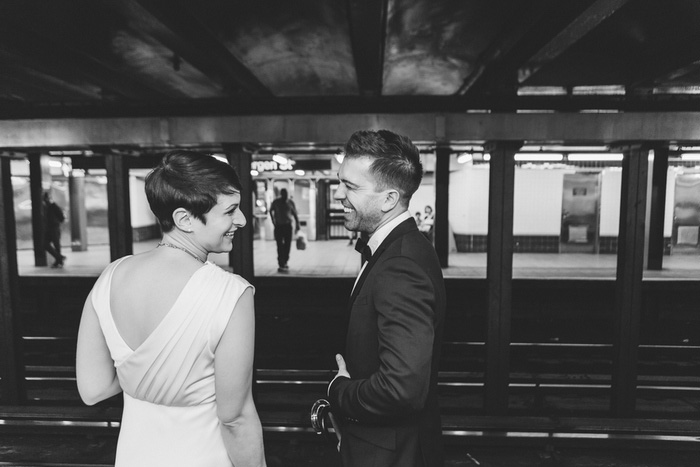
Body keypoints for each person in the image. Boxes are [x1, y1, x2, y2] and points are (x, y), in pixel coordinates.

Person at [76, 150, 266, 467]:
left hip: (134, 456)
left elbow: (92, 390)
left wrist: (144, 382)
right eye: (230, 211)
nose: (242, 220)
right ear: (184, 219)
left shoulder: (111, 277)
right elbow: (235, 417)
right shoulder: (230, 293)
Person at [327, 130, 446, 466]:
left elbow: (401, 390)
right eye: (341, 183)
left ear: (389, 199)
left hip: (390, 455)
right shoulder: (400, 249)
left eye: (350, 187)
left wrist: (338, 392)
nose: (338, 195)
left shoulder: (401, 265)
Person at [269, 187, 300, 272]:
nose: (285, 195)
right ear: (281, 194)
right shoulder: (276, 202)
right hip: (278, 226)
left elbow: (295, 214)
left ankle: (285, 260)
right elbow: (270, 210)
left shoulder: (290, 202)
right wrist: (273, 221)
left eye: (286, 194)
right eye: (283, 193)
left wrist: (297, 224)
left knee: (287, 245)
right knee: (279, 245)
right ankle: (281, 262)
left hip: (287, 226)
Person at [43, 191, 66, 268]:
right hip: (50, 228)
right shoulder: (46, 208)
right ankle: (59, 258)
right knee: (46, 244)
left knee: (56, 244)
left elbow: (61, 217)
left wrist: (55, 222)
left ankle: (58, 260)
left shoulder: (53, 206)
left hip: (54, 228)